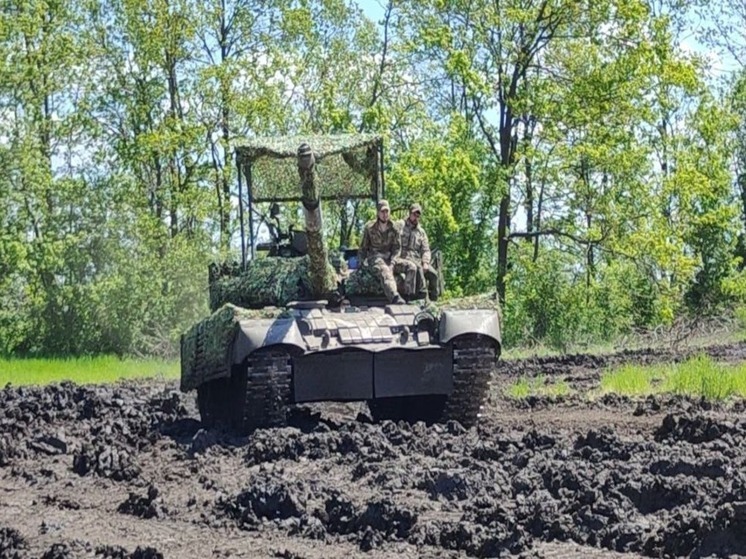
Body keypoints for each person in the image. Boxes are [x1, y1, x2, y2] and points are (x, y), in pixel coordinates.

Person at [358, 199, 415, 304]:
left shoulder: (395, 228)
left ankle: (408, 296)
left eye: (387, 211)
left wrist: (393, 262)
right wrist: (361, 263)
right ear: (378, 213)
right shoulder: (369, 228)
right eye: (382, 212)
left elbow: (397, 248)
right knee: (385, 270)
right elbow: (363, 248)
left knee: (411, 267)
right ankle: (395, 298)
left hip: (390, 258)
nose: (385, 214)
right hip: (375, 259)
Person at [398, 203, 439, 300]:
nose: (416, 217)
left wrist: (425, 262)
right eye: (414, 214)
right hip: (403, 257)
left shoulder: (421, 232)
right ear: (409, 213)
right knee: (417, 269)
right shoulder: (400, 225)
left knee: (433, 274)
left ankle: (434, 299)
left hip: (417, 258)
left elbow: (426, 249)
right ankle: (421, 296)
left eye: (418, 215)